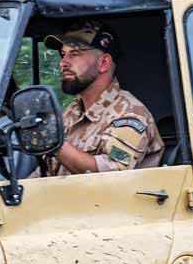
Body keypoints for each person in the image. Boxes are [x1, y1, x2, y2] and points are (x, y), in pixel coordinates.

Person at [43, 23, 163, 176]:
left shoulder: (129, 115)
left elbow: (113, 174)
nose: (63, 63)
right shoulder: (72, 111)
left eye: (74, 54)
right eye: (63, 54)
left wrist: (56, 144)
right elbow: (45, 172)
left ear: (103, 63)